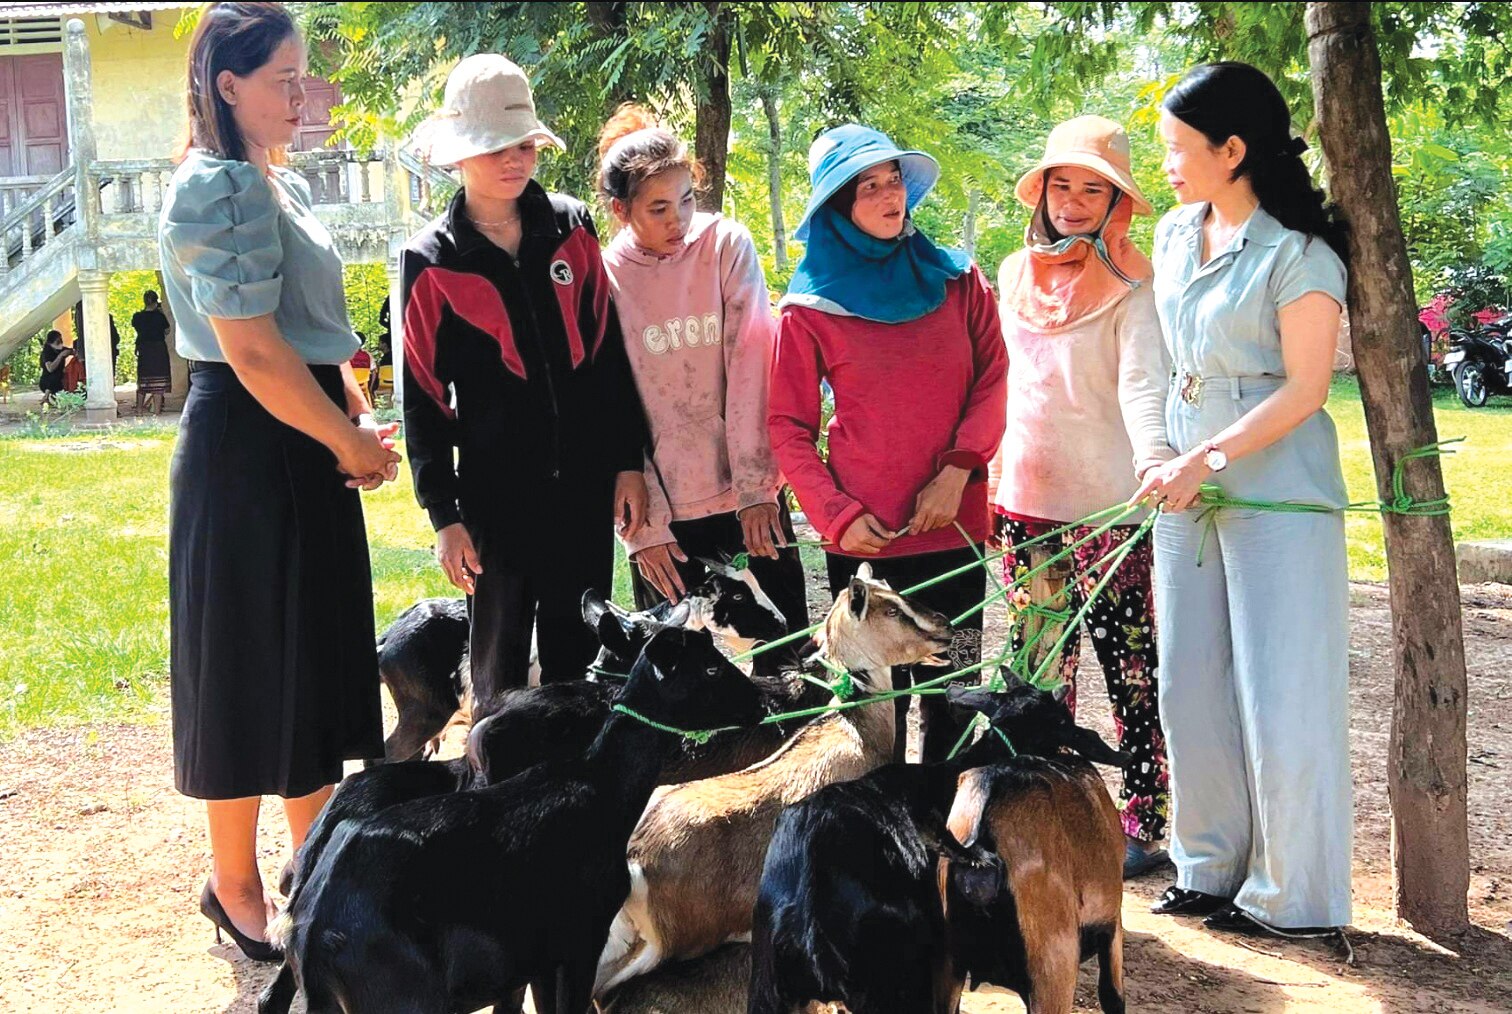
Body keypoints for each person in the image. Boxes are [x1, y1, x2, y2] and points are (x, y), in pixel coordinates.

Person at [158, 1, 398, 961]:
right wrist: (345, 441)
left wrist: (353, 410)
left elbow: (307, 331)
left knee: (301, 668)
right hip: (246, 452)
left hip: (297, 438)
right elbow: (251, 353)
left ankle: (315, 872)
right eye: (282, 80)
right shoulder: (215, 187)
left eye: (306, 75)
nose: (305, 95)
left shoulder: (274, 183)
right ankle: (244, 885)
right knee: (250, 671)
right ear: (227, 84)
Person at [1138, 61, 1352, 936]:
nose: (1168, 164)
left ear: (1233, 150)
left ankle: (1290, 895)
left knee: (1280, 691)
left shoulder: (1302, 255)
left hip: (1277, 492)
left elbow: (1305, 390)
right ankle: (1208, 866)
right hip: (1183, 489)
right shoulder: (1171, 235)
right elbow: (1161, 362)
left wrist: (1211, 456)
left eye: (1179, 148)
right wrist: (1163, 454)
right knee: (1188, 682)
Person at [402, 55, 649, 701]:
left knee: (580, 657)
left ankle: (576, 796)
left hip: (584, 482)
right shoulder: (429, 261)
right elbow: (422, 396)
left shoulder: (571, 228)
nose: (514, 161)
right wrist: (443, 515)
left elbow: (606, 356)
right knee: (500, 670)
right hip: (493, 496)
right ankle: (494, 794)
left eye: (524, 146)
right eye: (494, 149)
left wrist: (627, 462)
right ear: (459, 155)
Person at [769, 124, 1007, 762]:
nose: (887, 195)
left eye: (893, 179)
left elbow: (993, 379)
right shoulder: (808, 309)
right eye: (866, 186)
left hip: (952, 529)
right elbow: (788, 429)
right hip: (867, 541)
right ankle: (875, 848)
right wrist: (838, 517)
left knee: (951, 693)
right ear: (838, 208)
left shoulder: (960, 282)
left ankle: (941, 845)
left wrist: (959, 471)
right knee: (873, 711)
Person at [990, 115, 1174, 879]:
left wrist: (1156, 458)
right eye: (1060, 184)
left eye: (1091, 188)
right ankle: (1042, 812)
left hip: (1110, 512)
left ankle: (1144, 823)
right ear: (1041, 191)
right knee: (1036, 672)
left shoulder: (1137, 287)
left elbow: (1142, 384)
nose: (1072, 201)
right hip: (1022, 506)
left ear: (1116, 202)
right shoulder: (1009, 273)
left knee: (1132, 670)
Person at [597, 104, 807, 630]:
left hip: (747, 499)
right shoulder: (603, 278)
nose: (679, 221)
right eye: (659, 209)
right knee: (682, 691)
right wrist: (643, 531)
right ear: (621, 211)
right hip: (662, 516)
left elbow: (752, 367)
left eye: (686, 200)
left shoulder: (726, 246)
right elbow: (608, 406)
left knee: (788, 665)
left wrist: (758, 491)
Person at [132, 290, 172, 414]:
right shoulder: (159, 316)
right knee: (159, 380)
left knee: (143, 379)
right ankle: (157, 411)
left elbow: (137, 328)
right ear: (156, 302)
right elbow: (167, 330)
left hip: (144, 348)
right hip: (158, 348)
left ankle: (139, 409)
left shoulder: (137, 317)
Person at [38, 329, 72, 407]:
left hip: (59, 382)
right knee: (55, 375)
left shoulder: (60, 349)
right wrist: (60, 356)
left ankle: (49, 397)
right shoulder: (46, 353)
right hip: (47, 382)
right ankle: (46, 396)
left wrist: (69, 352)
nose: (60, 341)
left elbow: (71, 351)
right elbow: (50, 368)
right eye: (58, 340)